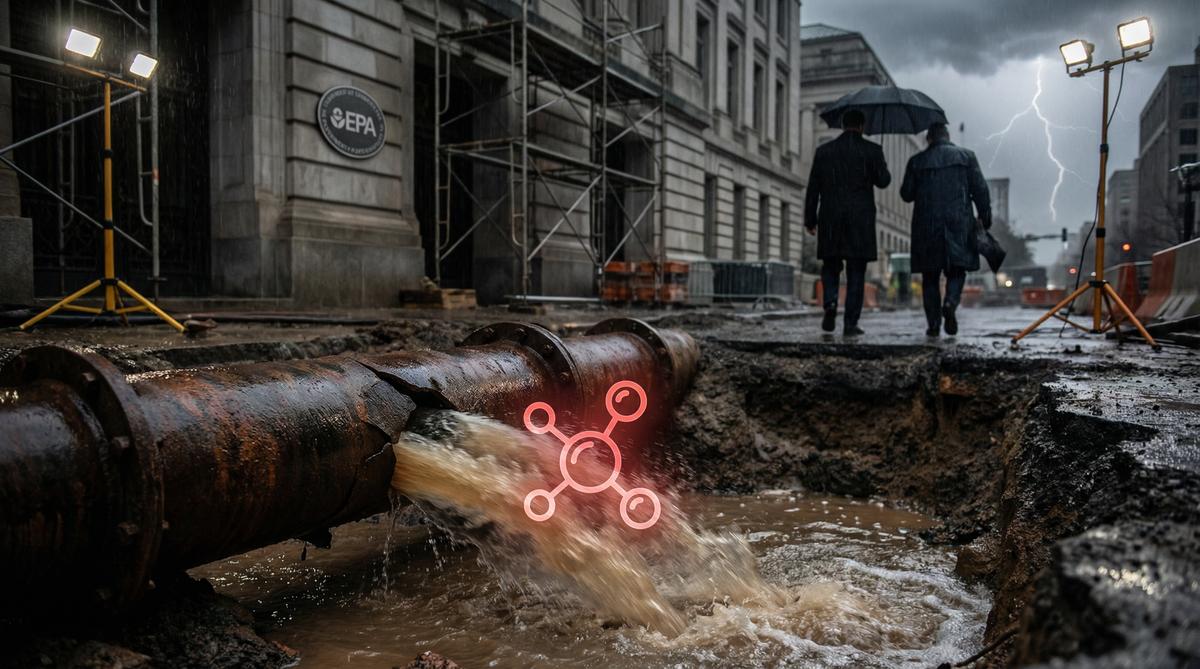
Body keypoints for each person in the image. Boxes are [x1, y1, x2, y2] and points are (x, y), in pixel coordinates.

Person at [804, 108, 891, 336]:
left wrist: (810, 219)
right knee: (856, 272)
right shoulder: (872, 150)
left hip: (831, 217)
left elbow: (814, 188)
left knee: (831, 265)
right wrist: (879, 163)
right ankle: (851, 323)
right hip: (860, 220)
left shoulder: (825, 151)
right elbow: (884, 181)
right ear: (862, 127)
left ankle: (831, 303)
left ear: (843, 125)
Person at [900, 122, 991, 337]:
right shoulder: (966, 157)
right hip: (958, 223)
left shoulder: (917, 161)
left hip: (926, 225)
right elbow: (980, 189)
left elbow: (906, 194)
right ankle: (950, 302)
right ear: (948, 136)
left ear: (928, 139)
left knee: (930, 276)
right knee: (956, 270)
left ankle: (933, 324)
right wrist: (984, 218)